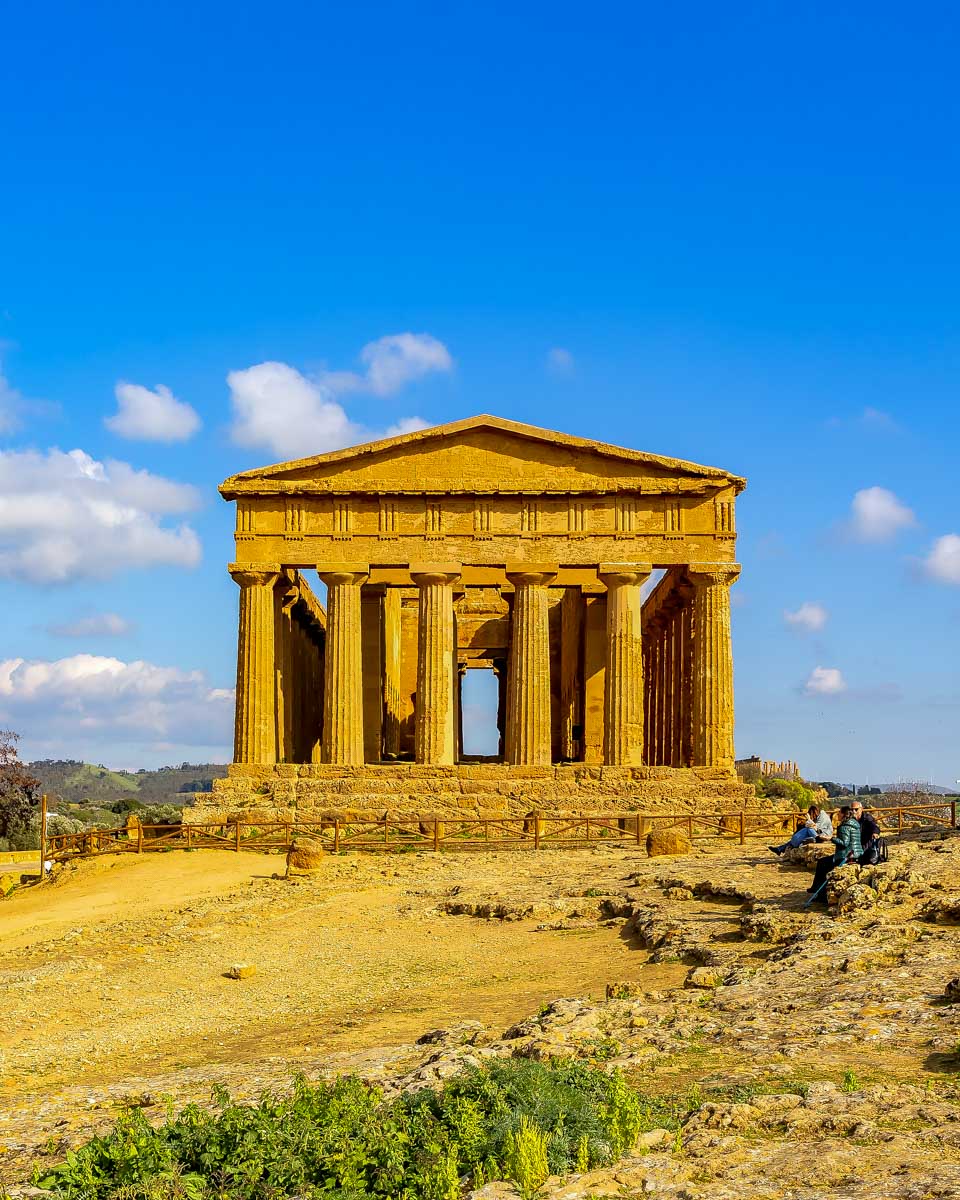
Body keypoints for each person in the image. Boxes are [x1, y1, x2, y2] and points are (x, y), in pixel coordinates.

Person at [807, 805, 863, 902]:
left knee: (822, 864)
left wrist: (830, 838)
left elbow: (844, 843)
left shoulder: (844, 826)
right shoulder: (854, 824)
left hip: (846, 856)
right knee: (823, 862)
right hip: (856, 854)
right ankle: (816, 889)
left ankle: (820, 895)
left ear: (844, 814)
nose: (837, 814)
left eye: (839, 812)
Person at [768, 804, 833, 856]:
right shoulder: (818, 816)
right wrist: (809, 822)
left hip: (825, 834)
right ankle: (779, 849)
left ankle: (817, 839)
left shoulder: (823, 817)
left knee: (809, 829)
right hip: (818, 833)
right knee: (805, 832)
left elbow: (815, 827)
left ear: (814, 813)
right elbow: (811, 826)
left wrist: (809, 819)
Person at [851, 800, 882, 865]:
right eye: (852, 810)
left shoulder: (867, 818)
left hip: (867, 846)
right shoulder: (850, 820)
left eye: (856, 809)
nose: (854, 812)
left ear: (861, 809)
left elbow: (874, 826)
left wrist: (875, 833)